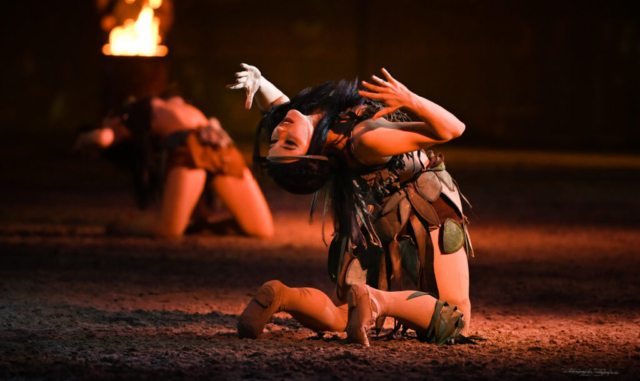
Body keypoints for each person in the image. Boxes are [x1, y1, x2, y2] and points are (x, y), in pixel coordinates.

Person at [228, 64, 475, 346]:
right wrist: (410, 100)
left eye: (277, 139)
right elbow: (454, 129)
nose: (281, 129)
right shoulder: (364, 139)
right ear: (313, 152)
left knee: (342, 313)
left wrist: (259, 82)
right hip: (423, 206)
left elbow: (279, 109)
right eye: (290, 142)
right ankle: (376, 300)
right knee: (456, 319)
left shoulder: (312, 127)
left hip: (371, 212)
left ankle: (281, 296)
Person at [75, 95, 274, 239]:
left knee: (168, 231)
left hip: (191, 145)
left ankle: (124, 224)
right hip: (220, 142)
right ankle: (182, 219)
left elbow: (102, 138)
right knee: (263, 230)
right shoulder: (176, 102)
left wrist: (81, 141)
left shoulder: (125, 116)